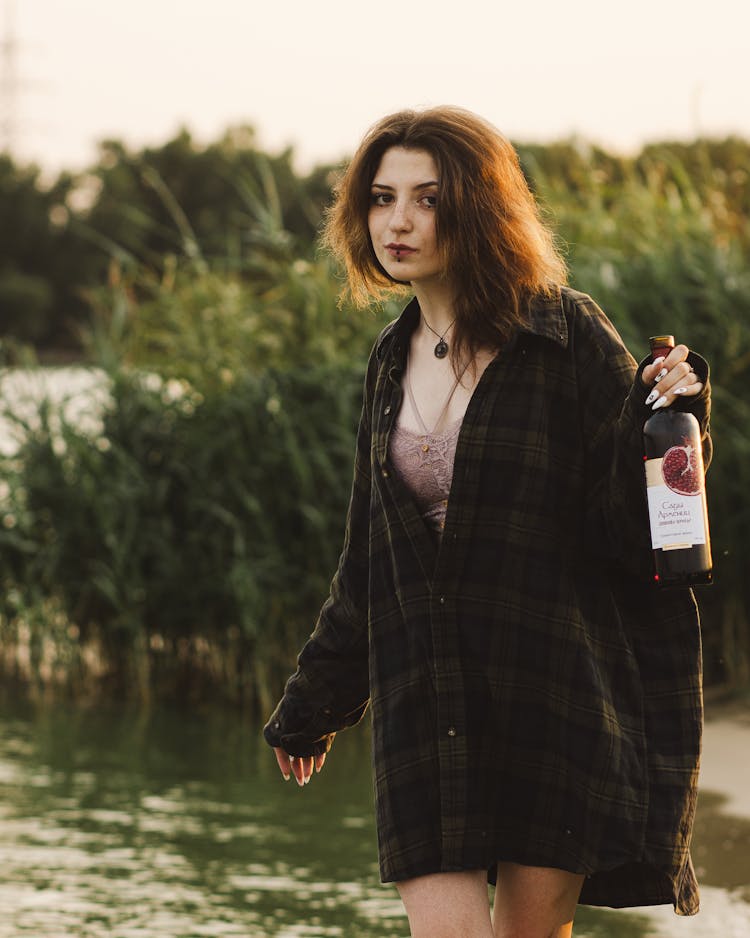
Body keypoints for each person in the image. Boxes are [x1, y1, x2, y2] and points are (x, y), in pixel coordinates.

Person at [263, 106, 711, 938]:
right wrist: (312, 701)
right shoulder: (387, 362)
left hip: (548, 691)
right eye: (382, 198)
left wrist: (677, 410)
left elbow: (632, 519)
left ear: (476, 207)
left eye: (428, 199)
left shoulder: (563, 331)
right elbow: (370, 557)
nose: (399, 221)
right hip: (424, 704)